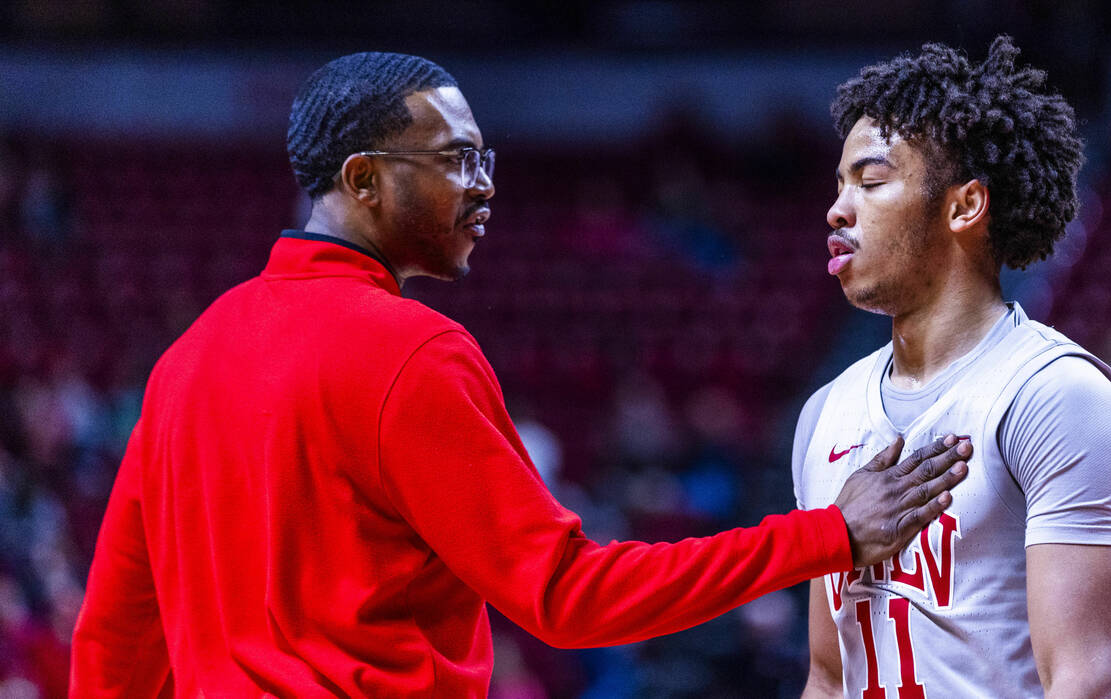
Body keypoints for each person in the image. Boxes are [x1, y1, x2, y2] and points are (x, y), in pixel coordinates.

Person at [70, 52, 972, 697]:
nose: (485, 185)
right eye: (457, 160)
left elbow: (113, 641)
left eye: (484, 160)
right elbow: (570, 596)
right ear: (365, 179)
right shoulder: (409, 352)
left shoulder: (187, 357)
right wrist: (827, 535)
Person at [793, 36, 1111, 698]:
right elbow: (828, 673)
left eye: (869, 182)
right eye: (839, 185)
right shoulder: (825, 412)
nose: (838, 209)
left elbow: (1085, 682)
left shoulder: (1058, 395)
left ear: (964, 206)